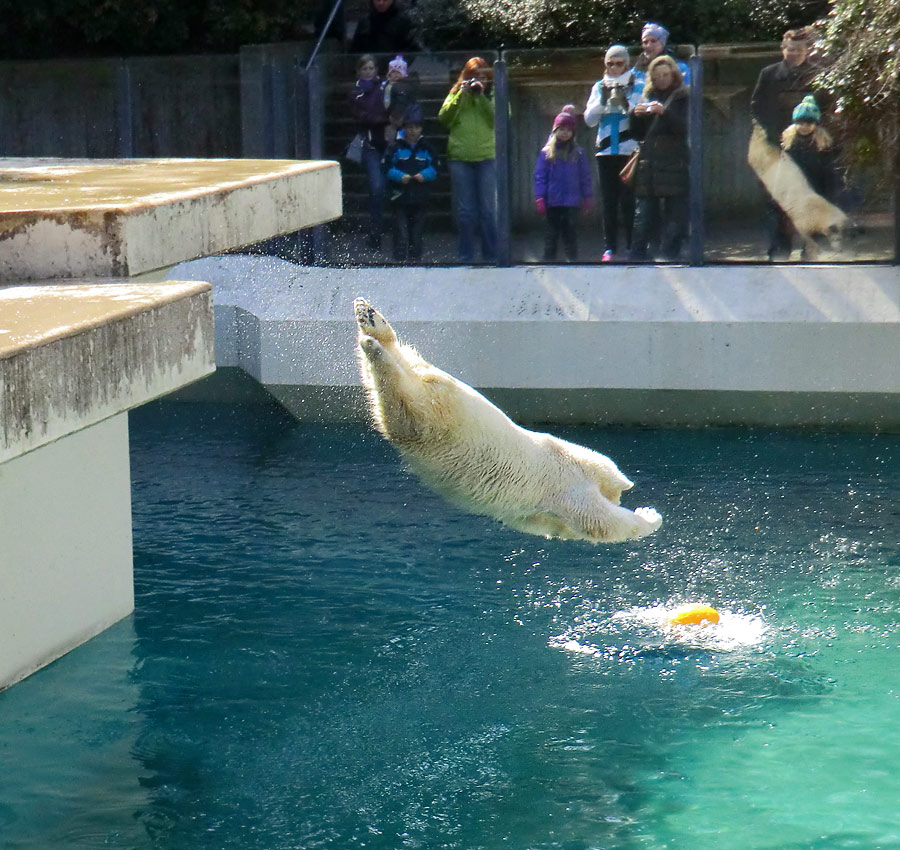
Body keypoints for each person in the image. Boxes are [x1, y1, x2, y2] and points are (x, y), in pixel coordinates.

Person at [750, 27, 824, 260]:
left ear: (807, 51)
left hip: (810, 146)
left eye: (799, 50)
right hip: (777, 147)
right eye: (790, 49)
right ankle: (778, 249)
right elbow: (756, 105)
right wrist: (770, 132)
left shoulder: (816, 74)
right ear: (783, 49)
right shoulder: (769, 74)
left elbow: (827, 107)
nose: (794, 53)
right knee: (777, 202)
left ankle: (810, 248)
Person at [628, 55, 690, 262]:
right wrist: (634, 116)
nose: (662, 79)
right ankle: (637, 254)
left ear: (673, 75)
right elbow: (638, 134)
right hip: (650, 162)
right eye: (657, 76)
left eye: (666, 75)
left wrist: (664, 113)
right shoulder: (647, 96)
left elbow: (684, 128)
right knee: (643, 214)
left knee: (675, 213)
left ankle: (670, 254)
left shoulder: (684, 97)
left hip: (674, 161)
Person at [584, 44, 641, 262]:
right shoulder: (599, 86)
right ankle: (609, 247)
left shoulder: (637, 82)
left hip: (629, 150)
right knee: (608, 201)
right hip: (606, 151)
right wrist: (604, 101)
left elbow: (639, 112)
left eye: (619, 63)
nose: (615, 67)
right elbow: (589, 120)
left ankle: (630, 245)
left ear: (626, 63)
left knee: (629, 200)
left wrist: (625, 99)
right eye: (611, 63)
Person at [438, 57, 497, 264]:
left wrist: (480, 97)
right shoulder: (456, 93)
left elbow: (498, 119)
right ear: (467, 77)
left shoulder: (492, 95)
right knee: (466, 210)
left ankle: (491, 255)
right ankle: (466, 256)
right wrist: (460, 97)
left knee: (488, 209)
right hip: (460, 158)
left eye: (484, 77)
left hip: (487, 157)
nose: (479, 81)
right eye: (475, 77)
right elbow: (443, 119)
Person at [780, 95, 842, 260]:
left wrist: (829, 193)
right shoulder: (789, 143)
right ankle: (787, 252)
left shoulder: (822, 144)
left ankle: (810, 251)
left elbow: (829, 172)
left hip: (816, 190)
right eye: (800, 123)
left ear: (816, 123)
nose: (804, 127)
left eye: (808, 123)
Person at [533, 110, 593, 262]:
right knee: (551, 234)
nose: (565, 133)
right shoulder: (546, 153)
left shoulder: (578, 153)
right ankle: (548, 262)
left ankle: (572, 261)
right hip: (552, 202)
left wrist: (587, 197)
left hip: (572, 203)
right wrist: (540, 197)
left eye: (568, 130)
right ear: (555, 131)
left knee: (570, 234)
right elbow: (540, 176)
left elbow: (585, 176)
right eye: (562, 129)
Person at [384, 104, 437, 262]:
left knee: (417, 232)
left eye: (416, 127)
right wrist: (400, 176)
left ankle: (415, 259)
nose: (413, 131)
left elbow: (435, 167)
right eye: (409, 127)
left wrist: (424, 175)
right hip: (399, 196)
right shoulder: (395, 147)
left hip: (420, 197)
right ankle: (399, 259)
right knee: (401, 231)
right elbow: (386, 167)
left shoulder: (427, 148)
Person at [348, 54, 389, 249]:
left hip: (388, 143)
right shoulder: (356, 92)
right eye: (365, 69)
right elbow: (364, 116)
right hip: (370, 145)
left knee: (386, 187)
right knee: (376, 187)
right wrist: (383, 117)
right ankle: (375, 232)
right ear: (358, 71)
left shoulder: (385, 87)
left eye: (371, 69)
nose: (368, 72)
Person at [632, 22, 690, 97]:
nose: (649, 45)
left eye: (653, 41)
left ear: (662, 43)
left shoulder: (680, 68)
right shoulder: (635, 72)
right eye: (645, 42)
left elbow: (688, 94)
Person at [350, 0, 421, 54]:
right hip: (368, 70)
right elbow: (354, 50)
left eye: (385, 0)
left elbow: (411, 49)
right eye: (378, 0)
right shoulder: (364, 21)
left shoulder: (403, 21)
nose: (381, 3)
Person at [382, 55, 416, 145]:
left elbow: (401, 102)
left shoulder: (403, 86)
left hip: (400, 119)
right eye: (393, 72)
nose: (396, 74)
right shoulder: (387, 85)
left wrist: (396, 116)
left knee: (398, 141)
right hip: (388, 118)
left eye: (399, 72)